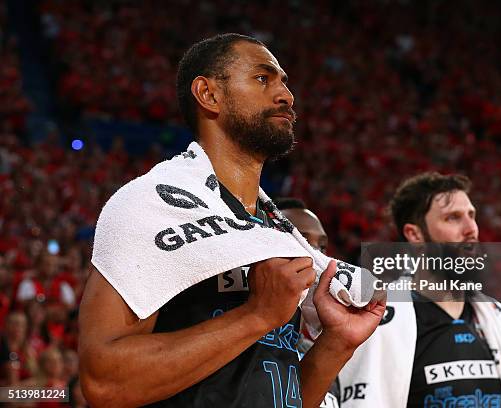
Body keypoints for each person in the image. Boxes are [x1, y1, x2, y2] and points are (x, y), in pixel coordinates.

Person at [78, 33, 384, 407]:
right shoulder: (148, 205)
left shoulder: (275, 231)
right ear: (209, 94)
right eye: (262, 78)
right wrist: (256, 315)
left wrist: (337, 343)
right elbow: (104, 381)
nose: (286, 95)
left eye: (284, 82)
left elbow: (276, 396)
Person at [339, 172, 501, 407]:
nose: (471, 229)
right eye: (453, 218)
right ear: (415, 235)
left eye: (471, 215)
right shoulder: (378, 320)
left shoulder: (498, 319)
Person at [276, 197, 339, 408]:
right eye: (301, 239)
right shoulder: (244, 342)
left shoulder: (325, 349)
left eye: (322, 245)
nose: (316, 253)